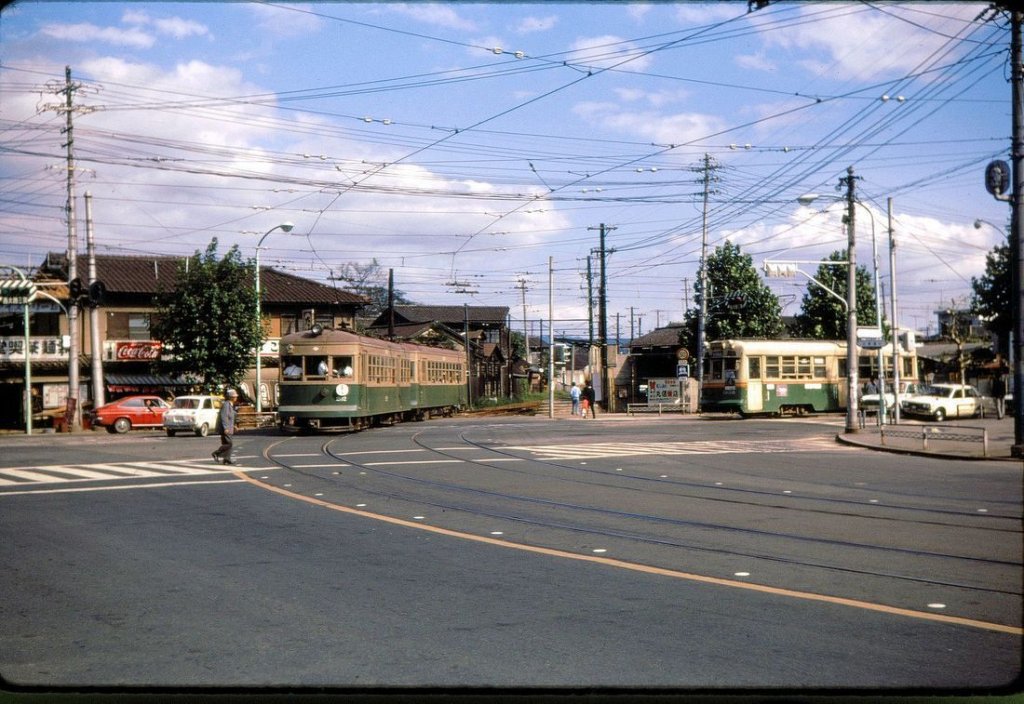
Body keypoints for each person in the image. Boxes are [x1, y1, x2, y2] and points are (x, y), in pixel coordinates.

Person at [212, 389, 239, 466]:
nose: (236, 398)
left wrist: (234, 425)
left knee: (227, 443)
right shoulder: (226, 405)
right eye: (234, 396)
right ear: (231, 397)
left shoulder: (230, 404)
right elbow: (224, 417)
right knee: (229, 444)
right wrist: (225, 428)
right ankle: (216, 453)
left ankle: (227, 459)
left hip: (229, 427)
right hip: (226, 429)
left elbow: (231, 417)